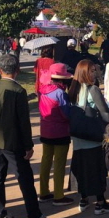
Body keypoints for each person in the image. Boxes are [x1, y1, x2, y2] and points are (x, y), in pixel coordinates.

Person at [0, 54, 56, 218]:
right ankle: (34, 216)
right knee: (25, 179)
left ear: (0, 70)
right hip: (14, 142)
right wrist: (28, 145)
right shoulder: (18, 91)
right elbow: (23, 122)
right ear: (17, 71)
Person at [67, 59, 109, 215]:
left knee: (82, 169)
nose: (95, 73)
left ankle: (84, 199)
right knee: (96, 170)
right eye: (92, 71)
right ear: (85, 73)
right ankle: (100, 203)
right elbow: (105, 111)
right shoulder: (93, 89)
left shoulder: (73, 89)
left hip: (78, 137)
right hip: (92, 137)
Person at [37, 62, 74, 206]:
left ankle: (44, 192)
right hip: (60, 132)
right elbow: (66, 114)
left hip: (45, 130)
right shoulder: (60, 93)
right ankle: (59, 195)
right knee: (59, 163)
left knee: (46, 160)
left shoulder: (43, 90)